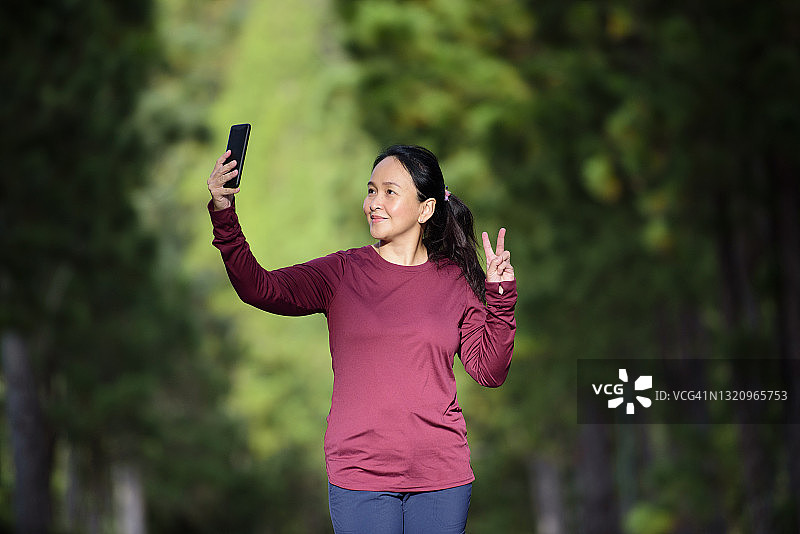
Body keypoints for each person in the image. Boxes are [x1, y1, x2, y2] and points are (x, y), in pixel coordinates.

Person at [206, 144, 516, 534]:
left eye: (390, 191)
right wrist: (224, 215)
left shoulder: (454, 281)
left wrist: (501, 299)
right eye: (371, 190)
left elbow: (490, 370)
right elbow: (260, 288)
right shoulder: (341, 273)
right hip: (359, 476)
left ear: (426, 209)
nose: (374, 202)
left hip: (441, 478)